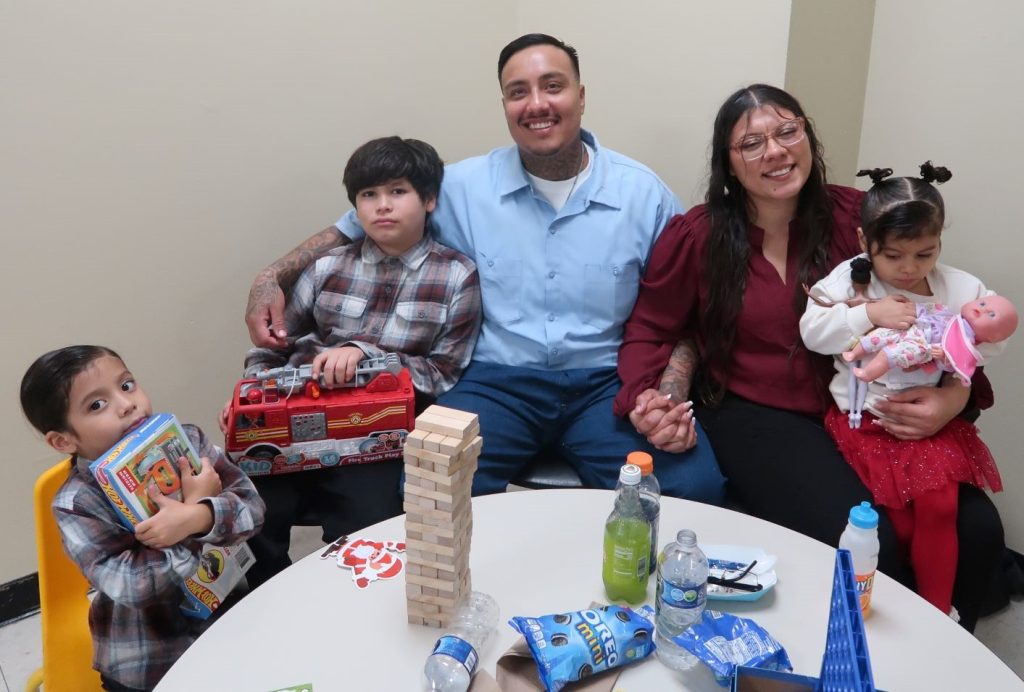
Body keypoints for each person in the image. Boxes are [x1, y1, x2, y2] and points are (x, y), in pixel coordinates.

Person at [243, 34, 726, 502]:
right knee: (422, 482)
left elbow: (683, 312)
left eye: (553, 86)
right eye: (519, 92)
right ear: (505, 106)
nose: (536, 103)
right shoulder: (459, 187)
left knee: (693, 486)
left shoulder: (643, 196)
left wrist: (668, 394)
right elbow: (353, 227)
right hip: (496, 383)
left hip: (605, 384)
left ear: (582, 96)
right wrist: (271, 277)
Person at [614, 83, 1003, 631]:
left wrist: (949, 399)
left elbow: (938, 311)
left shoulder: (862, 218)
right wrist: (645, 398)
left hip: (867, 406)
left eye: (787, 131)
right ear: (728, 163)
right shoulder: (699, 236)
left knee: (981, 534)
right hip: (758, 414)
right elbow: (652, 328)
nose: (774, 150)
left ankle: (941, 646)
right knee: (873, 544)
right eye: (751, 143)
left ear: (809, 138)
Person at [236, 135, 482, 587]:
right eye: (369, 195)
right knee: (249, 506)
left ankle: (344, 605)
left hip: (375, 436)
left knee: (368, 527)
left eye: (397, 192)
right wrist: (254, 399)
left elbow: (445, 372)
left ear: (428, 200)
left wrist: (369, 359)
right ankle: (263, 602)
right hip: (294, 421)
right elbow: (272, 347)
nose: (382, 206)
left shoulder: (456, 275)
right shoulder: (326, 267)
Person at [800, 164, 1016, 617]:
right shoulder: (851, 281)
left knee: (939, 506)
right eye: (893, 255)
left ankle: (939, 612)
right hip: (866, 422)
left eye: (924, 253)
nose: (908, 268)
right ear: (864, 242)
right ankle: (894, 606)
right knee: (892, 520)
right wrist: (868, 314)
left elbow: (993, 335)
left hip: (927, 428)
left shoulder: (959, 287)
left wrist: (959, 379)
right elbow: (813, 332)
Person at [19, 345, 265, 691]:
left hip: (229, 606)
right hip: (150, 652)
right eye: (96, 405)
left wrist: (201, 514)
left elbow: (252, 509)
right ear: (63, 440)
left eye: (127, 385)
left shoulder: (187, 440)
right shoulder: (77, 503)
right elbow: (131, 586)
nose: (126, 404)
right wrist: (186, 527)